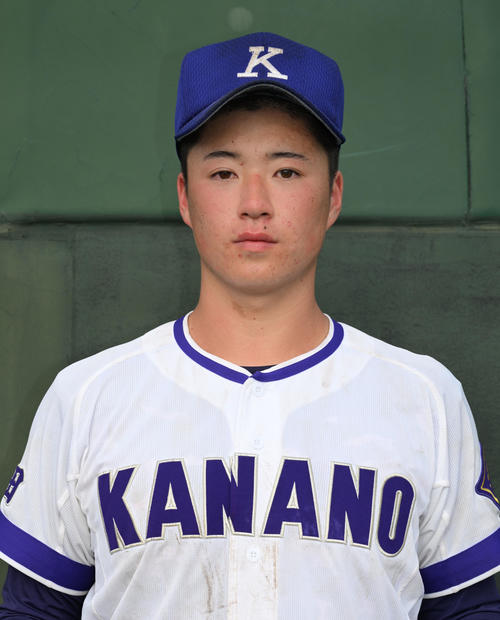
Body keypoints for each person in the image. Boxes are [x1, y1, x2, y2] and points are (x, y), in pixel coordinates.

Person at [0, 31, 499, 619]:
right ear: (184, 196)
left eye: (286, 172)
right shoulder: (87, 397)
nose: (255, 202)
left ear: (333, 196)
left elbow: (471, 608)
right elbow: (32, 609)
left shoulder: (424, 397)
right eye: (224, 173)